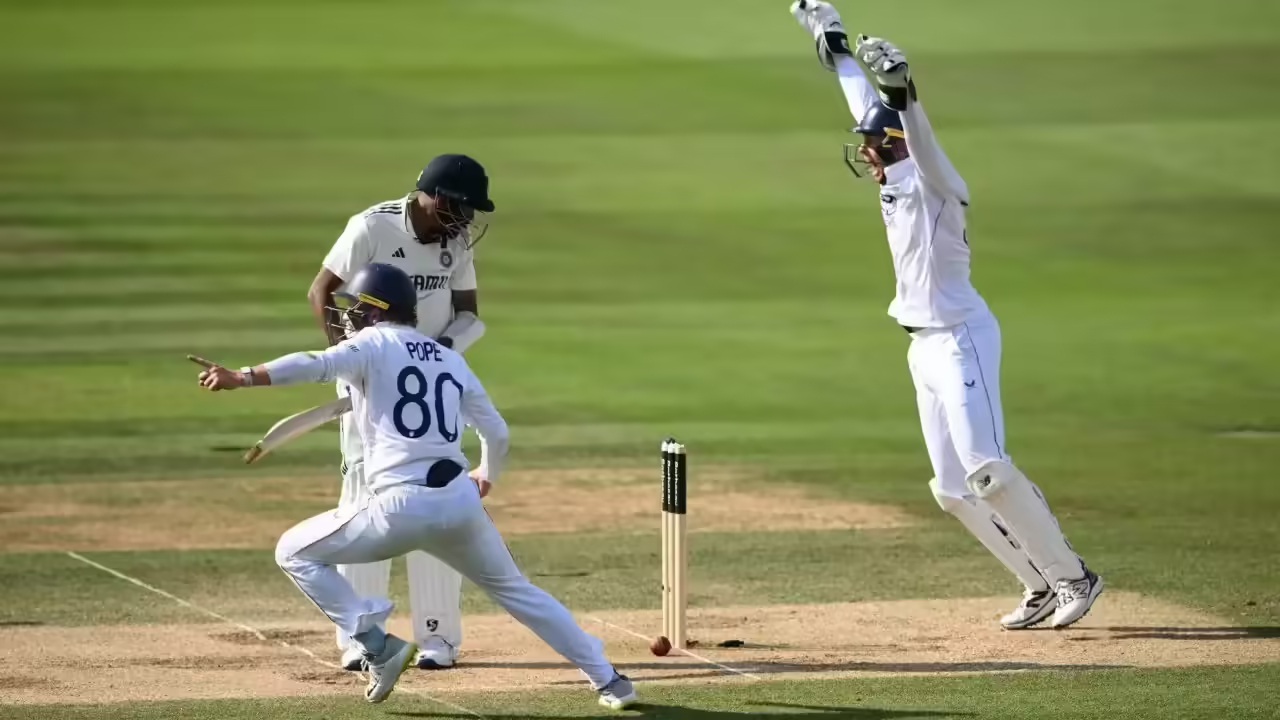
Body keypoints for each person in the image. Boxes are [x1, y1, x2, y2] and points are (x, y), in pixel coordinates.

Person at [190, 263, 637, 709]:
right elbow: (496, 432)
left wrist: (242, 376)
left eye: (355, 308)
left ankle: (376, 643)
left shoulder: (370, 344)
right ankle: (610, 680)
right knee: (518, 592)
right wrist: (487, 475)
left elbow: (315, 364)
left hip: (399, 507)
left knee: (293, 552)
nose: (347, 317)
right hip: (459, 501)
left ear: (375, 311)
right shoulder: (449, 357)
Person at [789, 0, 1103, 629]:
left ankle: (1074, 578)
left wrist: (903, 92)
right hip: (920, 345)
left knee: (986, 467)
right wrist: (832, 38)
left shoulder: (939, 185)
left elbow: (919, 138)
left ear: (895, 142)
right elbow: (860, 99)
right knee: (952, 489)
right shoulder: (891, 174)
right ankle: (1038, 583)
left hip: (962, 340)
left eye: (873, 145)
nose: (866, 155)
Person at [306, 153, 491, 670]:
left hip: (429, 391)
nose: (466, 220)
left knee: (435, 500)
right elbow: (321, 291)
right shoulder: (371, 227)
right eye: (461, 206)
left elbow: (469, 314)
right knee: (361, 500)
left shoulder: (453, 241)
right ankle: (360, 636)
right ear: (433, 195)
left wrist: (440, 356)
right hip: (370, 388)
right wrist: (351, 361)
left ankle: (438, 638)